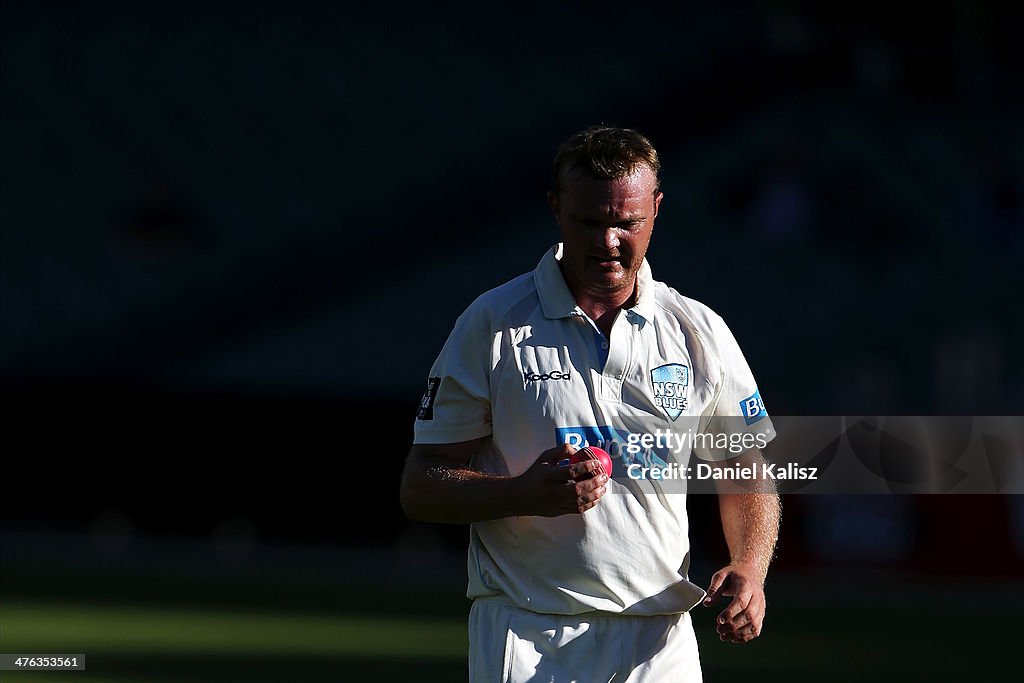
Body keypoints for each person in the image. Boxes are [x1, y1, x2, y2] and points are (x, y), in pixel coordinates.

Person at [400, 125, 780, 682]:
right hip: (530, 636)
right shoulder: (494, 323)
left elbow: (746, 468)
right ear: (556, 209)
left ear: (657, 208)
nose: (608, 241)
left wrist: (750, 564)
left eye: (627, 223)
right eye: (590, 222)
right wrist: (521, 493)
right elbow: (421, 485)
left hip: (661, 640)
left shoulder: (698, 331)